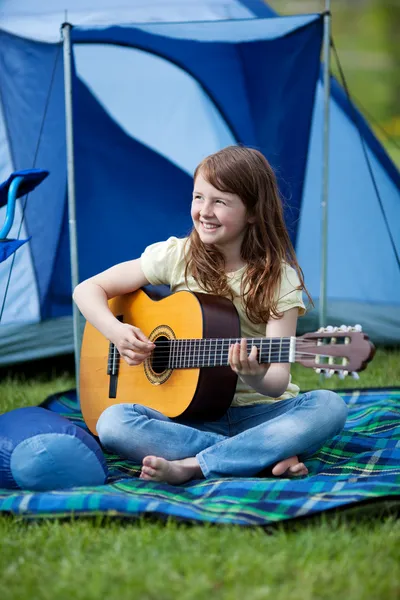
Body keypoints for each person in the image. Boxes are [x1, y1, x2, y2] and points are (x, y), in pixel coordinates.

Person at [73, 145, 348, 484]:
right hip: (187, 417)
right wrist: (116, 332)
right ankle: (256, 457)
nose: (205, 211)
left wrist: (253, 374)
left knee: (329, 407)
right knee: (113, 422)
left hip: (260, 414)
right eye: (199, 197)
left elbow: (276, 383)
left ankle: (193, 465)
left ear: (252, 212)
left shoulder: (279, 279)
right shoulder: (178, 256)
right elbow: (86, 290)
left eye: (220, 201)